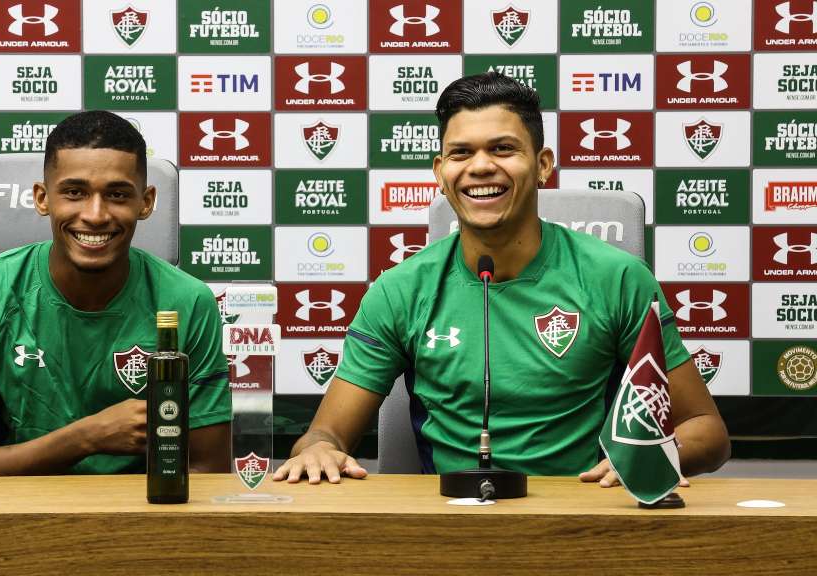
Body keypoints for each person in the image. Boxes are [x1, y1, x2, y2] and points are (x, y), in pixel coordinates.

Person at [274, 73, 730, 486]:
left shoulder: (618, 278)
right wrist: (318, 450)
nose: (480, 167)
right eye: (461, 153)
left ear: (544, 164)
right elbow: (326, 434)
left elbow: (707, 432)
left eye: (502, 148)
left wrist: (652, 453)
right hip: (449, 523)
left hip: (584, 516)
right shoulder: (399, 290)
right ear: (440, 173)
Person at [0, 111, 231, 475]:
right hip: (17, 513)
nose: (95, 214)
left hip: (144, 517)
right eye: (74, 192)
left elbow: (208, 468)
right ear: (42, 199)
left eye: (118, 194)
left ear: (146, 202)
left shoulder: (189, 302)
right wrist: (87, 437)